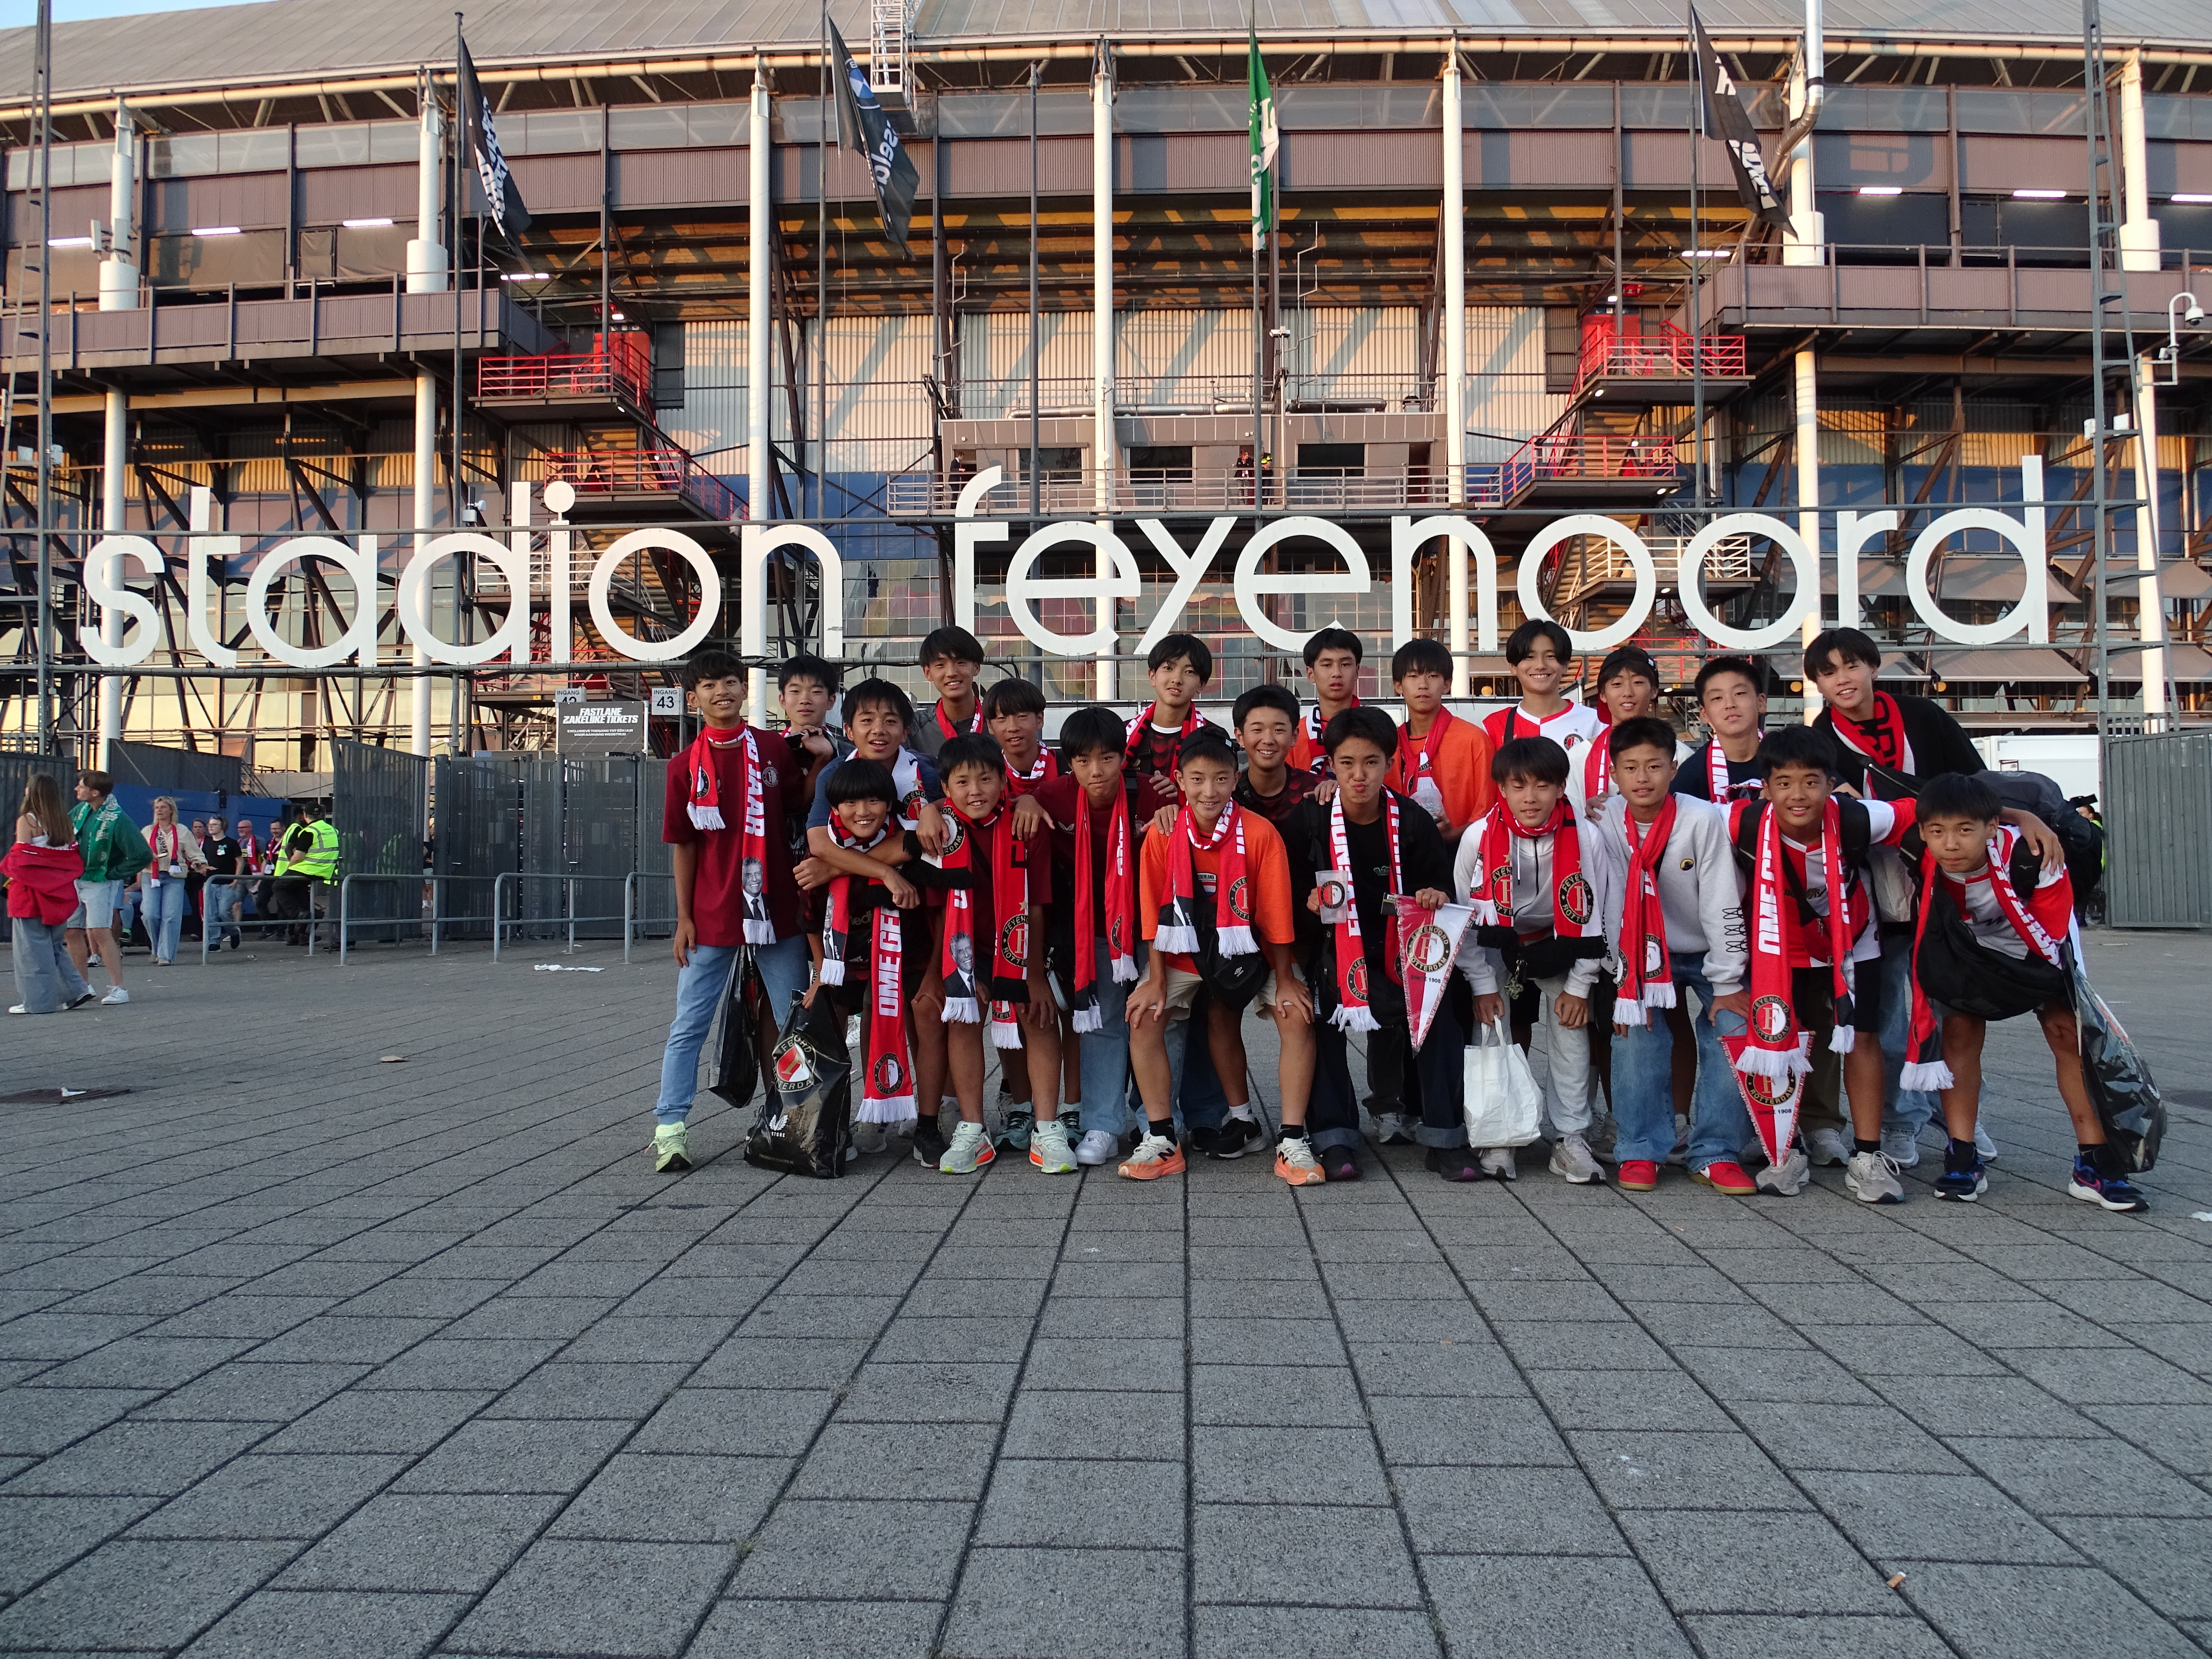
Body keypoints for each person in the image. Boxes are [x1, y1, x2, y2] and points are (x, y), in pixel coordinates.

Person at [1805, 626, 2055, 1169]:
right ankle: (1900, 1121)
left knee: (1958, 1015)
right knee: (1894, 1016)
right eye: (1828, 672)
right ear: (1818, 685)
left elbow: (1977, 787)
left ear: (1873, 667)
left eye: (1851, 665)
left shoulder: (1924, 717)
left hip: (1951, 888)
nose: (1842, 679)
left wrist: (2022, 814)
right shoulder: (1822, 740)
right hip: (1886, 892)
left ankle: (1961, 1116)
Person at [1903, 772, 2145, 1211]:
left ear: (1992, 828)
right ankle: (1962, 1155)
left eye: (1965, 831)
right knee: (1959, 1031)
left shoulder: (2033, 852)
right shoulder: (1920, 847)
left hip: (2039, 943)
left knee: (2064, 1032)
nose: (1951, 844)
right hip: (1968, 945)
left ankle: (2094, 1161)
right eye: (1938, 832)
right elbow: (1868, 810)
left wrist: (2026, 818)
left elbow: (2052, 936)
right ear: (1923, 832)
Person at [1727, 725, 1922, 1207]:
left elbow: (1938, 808)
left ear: (1830, 783)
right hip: (1779, 947)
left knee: (1863, 1039)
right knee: (1779, 1038)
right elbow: (1675, 818)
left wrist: (2019, 815)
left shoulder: (1859, 817)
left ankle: (1869, 1155)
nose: (1799, 794)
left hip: (1855, 942)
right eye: (1785, 782)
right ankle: (1784, 1148)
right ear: (1766, 787)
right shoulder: (1741, 821)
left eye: (1811, 781)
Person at [652, 649, 814, 1174]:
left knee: (794, 1021)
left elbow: (800, 808)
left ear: (744, 690)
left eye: (729, 682)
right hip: (712, 915)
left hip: (778, 909)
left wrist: (826, 760)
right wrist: (684, 918)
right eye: (708, 686)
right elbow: (685, 846)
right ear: (694, 699)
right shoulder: (683, 767)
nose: (721, 691)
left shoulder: (772, 748)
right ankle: (670, 1128)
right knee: (689, 1025)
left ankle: (795, 1122)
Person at [1126, 730, 1315, 1183]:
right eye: (1197, 780)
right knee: (1143, 1015)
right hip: (1185, 952)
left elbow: (1275, 915)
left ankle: (1292, 1140)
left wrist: (1287, 979)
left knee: (1297, 1015)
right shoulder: (1164, 833)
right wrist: (1154, 980)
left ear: (1236, 780)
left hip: (1253, 951)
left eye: (1220, 779)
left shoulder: (1260, 832)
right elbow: (1153, 913)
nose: (1208, 791)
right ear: (1181, 780)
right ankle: (1161, 1137)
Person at [1294, 707, 1468, 1182]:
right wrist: (1305, 900)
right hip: (1333, 953)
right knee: (1321, 1018)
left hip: (1400, 954)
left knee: (1444, 1013)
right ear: (1330, 763)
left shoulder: (1410, 819)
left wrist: (1435, 895)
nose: (1359, 775)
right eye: (1347, 763)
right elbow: (1283, 887)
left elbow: (1440, 886)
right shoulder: (1311, 817)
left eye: (1371, 762)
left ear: (1390, 763)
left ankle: (1445, 1137)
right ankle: (1333, 1136)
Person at [1592, 716, 1755, 1193]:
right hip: (1638, 955)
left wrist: (1728, 983)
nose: (1643, 778)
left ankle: (1717, 1151)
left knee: (1735, 1030)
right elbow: (1605, 901)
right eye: (1631, 768)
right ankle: (1641, 1148)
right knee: (1636, 1035)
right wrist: (1621, 979)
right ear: (1615, 775)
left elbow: (1722, 900)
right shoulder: (1603, 824)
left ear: (1673, 768)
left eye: (1655, 766)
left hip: (1705, 951)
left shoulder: (1701, 818)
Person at [797, 676, 954, 1164]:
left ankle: (929, 1119)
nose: (879, 730)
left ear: (907, 729)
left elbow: (918, 843)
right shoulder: (835, 777)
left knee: (922, 1013)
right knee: (843, 1011)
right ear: (848, 728)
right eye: (867, 721)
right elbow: (820, 847)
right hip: (850, 923)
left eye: (891, 721)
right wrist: (882, 870)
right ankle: (841, 1118)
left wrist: (842, 862)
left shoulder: (925, 774)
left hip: (913, 913)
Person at [1455, 736, 1613, 1180]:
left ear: (1562, 788)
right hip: (1498, 942)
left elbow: (1598, 912)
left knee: (1571, 1028)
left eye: (1543, 785)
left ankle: (1569, 1136)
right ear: (1501, 789)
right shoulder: (1478, 837)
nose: (1531, 797)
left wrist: (1582, 985)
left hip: (1563, 939)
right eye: (1518, 785)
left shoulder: (1585, 836)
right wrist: (1482, 983)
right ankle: (1498, 1136)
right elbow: (1465, 917)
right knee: (1492, 1026)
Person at [926, 733, 1070, 1173]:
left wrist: (1034, 973)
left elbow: (1040, 901)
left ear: (1003, 780)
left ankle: (1047, 1128)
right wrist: (938, 973)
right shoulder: (939, 829)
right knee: (964, 1022)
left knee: (1038, 1017)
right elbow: (936, 912)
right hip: (962, 944)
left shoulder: (1026, 824)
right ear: (946, 790)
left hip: (1021, 940)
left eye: (986, 779)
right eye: (963, 782)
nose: (976, 791)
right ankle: (972, 1129)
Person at [1034, 706, 1169, 1166]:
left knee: (1155, 1019)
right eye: (1083, 761)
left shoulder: (1151, 792)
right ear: (1068, 762)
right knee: (1102, 1023)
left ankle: (1159, 1121)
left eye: (1107, 759)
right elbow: (1015, 805)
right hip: (1091, 929)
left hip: (1151, 927)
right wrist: (1026, 803)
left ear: (1124, 759)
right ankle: (1101, 1124)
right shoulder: (1051, 796)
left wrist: (1176, 803)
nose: (1097, 771)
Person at [1386, 637, 1495, 842]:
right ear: (1398, 686)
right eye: (1413, 676)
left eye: (1433, 676)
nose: (1423, 685)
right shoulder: (1390, 744)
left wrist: (1450, 837)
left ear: (1447, 685)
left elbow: (1487, 813)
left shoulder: (1474, 740)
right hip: (1401, 854)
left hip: (1460, 853)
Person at [8, 774, 96, 1015]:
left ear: (32, 792)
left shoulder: (27, 820)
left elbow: (21, 860)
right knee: (55, 947)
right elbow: (69, 857)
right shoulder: (64, 822)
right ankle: (78, 989)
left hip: (32, 893)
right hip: (61, 892)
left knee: (31, 950)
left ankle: (37, 1003)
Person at [65, 769, 146, 1005]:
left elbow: (141, 854)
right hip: (75, 879)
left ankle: (119, 988)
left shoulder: (117, 818)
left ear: (95, 792)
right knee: (71, 931)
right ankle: (81, 987)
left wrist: (113, 873)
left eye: (81, 786)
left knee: (100, 931)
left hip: (99, 881)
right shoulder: (79, 811)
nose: (76, 790)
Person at [1124, 632, 1221, 808]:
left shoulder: (1213, 740)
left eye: (1189, 672)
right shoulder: (1122, 735)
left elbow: (1223, 797)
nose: (1177, 679)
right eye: (1169, 668)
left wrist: (1184, 795)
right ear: (1152, 676)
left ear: (1202, 684)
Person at [1482, 619, 1604, 756]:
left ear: (1565, 665)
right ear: (1513, 667)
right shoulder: (1493, 726)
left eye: (1550, 656)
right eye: (1530, 657)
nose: (1540, 665)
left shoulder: (1594, 722)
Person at [776, 652, 849, 863]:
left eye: (816, 691)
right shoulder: (765, 752)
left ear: (831, 701)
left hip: (836, 853)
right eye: (795, 691)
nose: (805, 700)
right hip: (777, 852)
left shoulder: (847, 753)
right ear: (782, 700)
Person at [1674, 656, 1769, 805]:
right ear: (1704, 714)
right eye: (1717, 698)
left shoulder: (1789, 759)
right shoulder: (1691, 776)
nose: (1730, 704)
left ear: (1761, 702)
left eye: (1740, 694)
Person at [1286, 626, 1364, 777]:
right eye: (1327, 665)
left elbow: (1390, 792)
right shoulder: (1295, 735)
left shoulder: (1377, 730)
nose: (1336, 673)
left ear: (1357, 671)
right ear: (1311, 674)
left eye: (1345, 665)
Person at [139, 797, 208, 966]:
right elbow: (138, 852)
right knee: (150, 914)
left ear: (171, 810)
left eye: (163, 807)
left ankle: (165, 955)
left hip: (174, 877)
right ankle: (156, 948)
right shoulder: (147, 831)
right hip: (151, 875)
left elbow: (194, 852)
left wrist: (202, 864)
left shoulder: (182, 830)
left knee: (171, 916)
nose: (159, 810)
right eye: (157, 807)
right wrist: (148, 856)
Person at [912, 625, 987, 759]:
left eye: (961, 662)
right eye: (940, 665)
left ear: (976, 668)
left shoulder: (999, 725)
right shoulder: (913, 730)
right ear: (927, 673)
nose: (951, 673)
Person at [271, 802, 338, 947]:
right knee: (296, 890)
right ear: (320, 814)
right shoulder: (331, 829)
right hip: (325, 870)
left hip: (308, 869)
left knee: (278, 887)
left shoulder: (310, 831)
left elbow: (298, 856)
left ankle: (299, 915)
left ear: (306, 816)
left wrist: (289, 867)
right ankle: (307, 916)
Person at [984, 678, 1057, 795]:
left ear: (1040, 719)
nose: (1013, 727)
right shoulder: (985, 775)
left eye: (1022, 716)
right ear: (990, 726)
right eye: (1002, 719)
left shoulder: (1069, 768)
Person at [202, 816, 244, 951]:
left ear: (222, 826)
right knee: (211, 914)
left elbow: (240, 861)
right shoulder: (207, 843)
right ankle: (214, 942)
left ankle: (233, 932)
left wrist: (236, 879)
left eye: (214, 824)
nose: (211, 826)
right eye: (210, 824)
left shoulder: (231, 843)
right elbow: (202, 861)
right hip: (211, 884)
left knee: (224, 912)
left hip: (227, 884)